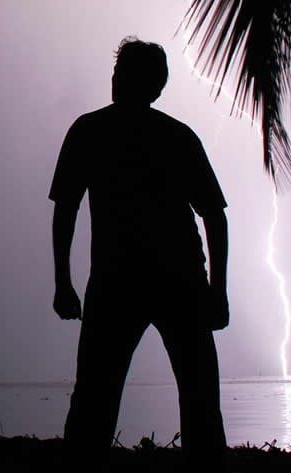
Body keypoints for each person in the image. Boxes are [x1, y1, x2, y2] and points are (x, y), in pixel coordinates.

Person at [49, 36, 229, 472]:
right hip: (159, 280)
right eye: (116, 74)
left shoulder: (92, 131)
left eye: (122, 75)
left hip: (136, 282)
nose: (115, 82)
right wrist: (216, 291)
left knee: (101, 396)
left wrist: (64, 282)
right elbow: (215, 219)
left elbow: (66, 212)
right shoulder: (172, 136)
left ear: (147, 86)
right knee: (180, 394)